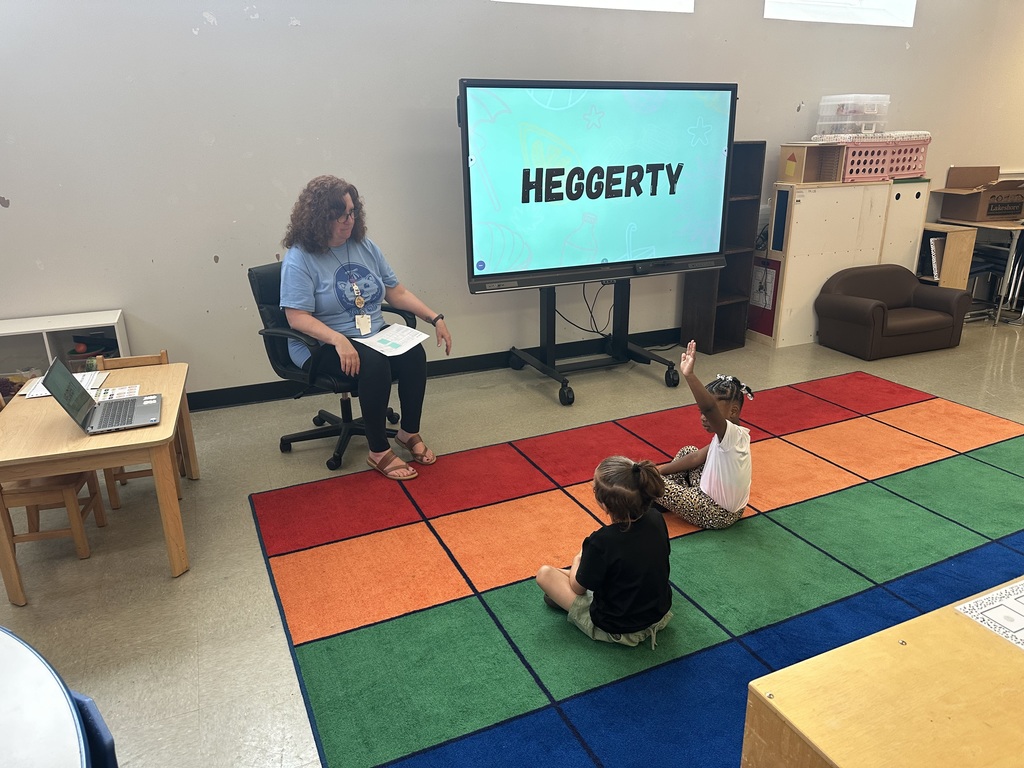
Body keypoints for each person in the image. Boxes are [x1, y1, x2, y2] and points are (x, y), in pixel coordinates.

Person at [279, 175, 452, 481]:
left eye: (352, 212)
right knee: (373, 362)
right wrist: (339, 340)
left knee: (413, 353)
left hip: (372, 333)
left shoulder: (364, 246)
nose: (349, 221)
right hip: (321, 344)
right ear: (320, 218)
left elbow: (395, 291)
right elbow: (297, 318)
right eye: (340, 215)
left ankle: (408, 432)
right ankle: (378, 451)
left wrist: (434, 317)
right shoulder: (299, 258)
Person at [536, 456, 673, 649]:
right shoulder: (656, 518)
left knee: (545, 574)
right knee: (607, 571)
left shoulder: (601, 541)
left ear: (605, 505)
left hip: (618, 627)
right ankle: (581, 576)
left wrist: (578, 558)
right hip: (658, 614)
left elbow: (578, 588)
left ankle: (573, 590)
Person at [657, 339, 754, 529]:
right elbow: (695, 458)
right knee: (688, 451)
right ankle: (674, 496)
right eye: (700, 412)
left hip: (715, 513)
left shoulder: (730, 435)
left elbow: (709, 408)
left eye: (708, 413)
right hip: (724, 505)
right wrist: (659, 470)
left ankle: (666, 496)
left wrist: (690, 375)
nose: (703, 416)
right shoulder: (736, 435)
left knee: (646, 480)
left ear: (733, 411)